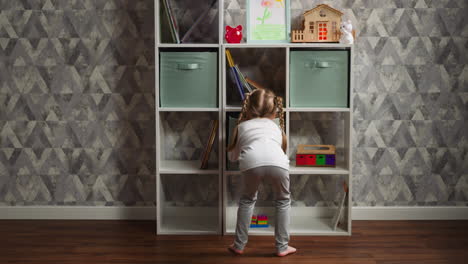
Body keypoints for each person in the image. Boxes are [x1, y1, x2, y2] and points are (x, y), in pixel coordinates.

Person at [227, 88, 297, 257]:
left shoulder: (241, 126)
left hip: (251, 163)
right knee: (283, 201)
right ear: (274, 111)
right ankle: (282, 247)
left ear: (249, 108)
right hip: (278, 163)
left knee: (247, 200)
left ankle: (239, 245)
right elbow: (281, 150)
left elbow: (232, 157)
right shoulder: (277, 128)